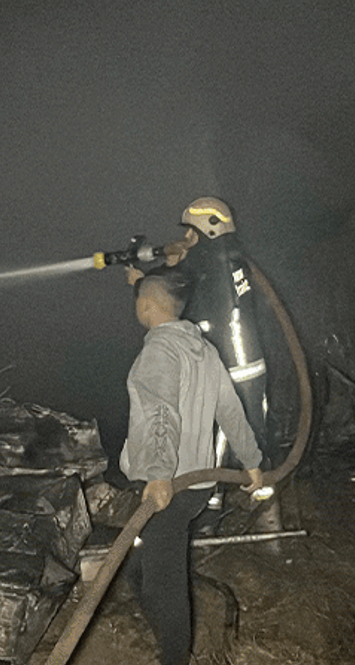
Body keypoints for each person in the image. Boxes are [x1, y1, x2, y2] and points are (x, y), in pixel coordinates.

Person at [120, 273, 265, 665]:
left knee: (163, 587)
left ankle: (174, 656)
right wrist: (251, 461)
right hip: (196, 488)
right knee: (140, 565)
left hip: (169, 487)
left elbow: (161, 414)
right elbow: (231, 410)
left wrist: (159, 475)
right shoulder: (203, 350)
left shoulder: (159, 350)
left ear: (146, 306)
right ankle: (157, 624)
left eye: (139, 298)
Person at [127, 197, 272, 507]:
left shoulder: (204, 263)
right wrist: (174, 261)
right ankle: (259, 479)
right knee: (251, 422)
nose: (186, 237)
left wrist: (142, 283)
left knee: (218, 428)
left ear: (207, 230)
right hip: (250, 359)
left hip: (228, 361)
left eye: (190, 232)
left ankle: (212, 497)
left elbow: (171, 300)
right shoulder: (232, 258)